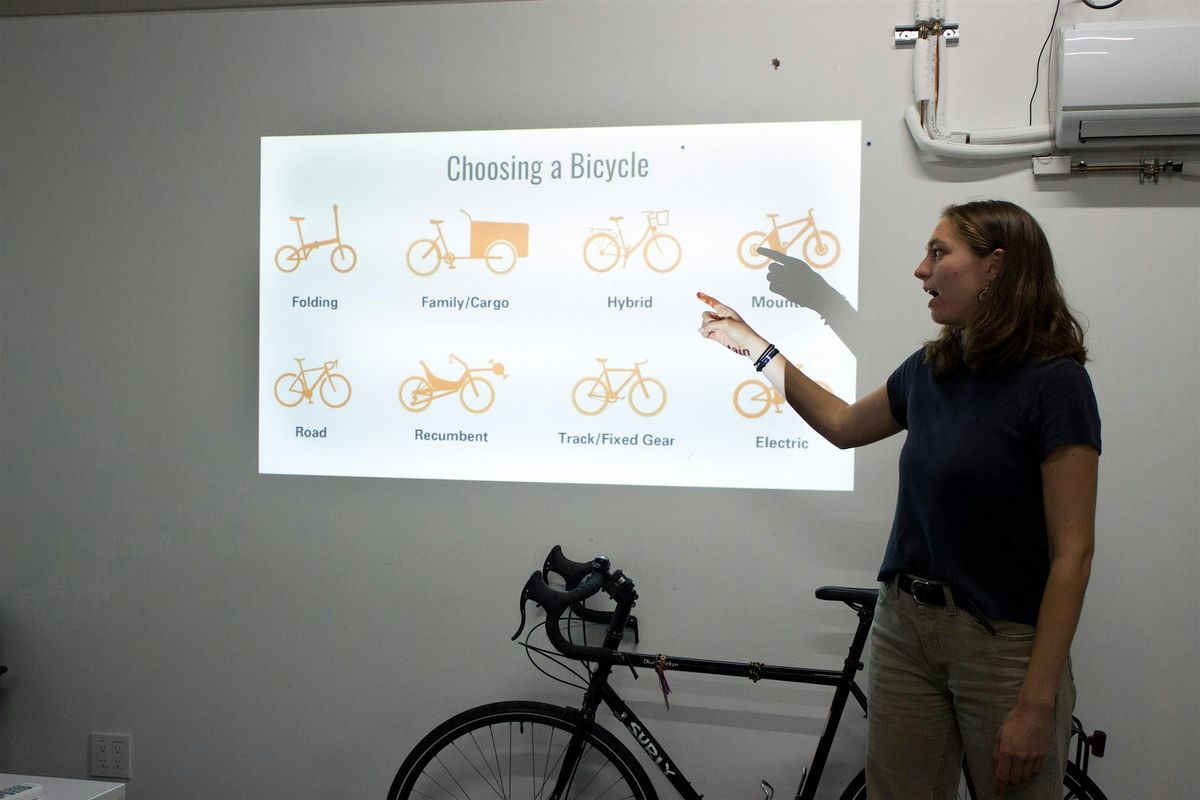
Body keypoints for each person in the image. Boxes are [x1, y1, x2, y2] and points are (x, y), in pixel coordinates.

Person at [698, 200, 1100, 800]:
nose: (921, 269)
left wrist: (1037, 702)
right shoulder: (931, 369)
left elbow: (1074, 553)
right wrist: (756, 346)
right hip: (904, 630)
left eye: (939, 253)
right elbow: (841, 425)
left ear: (995, 267)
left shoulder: (1055, 382)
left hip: (1002, 646)